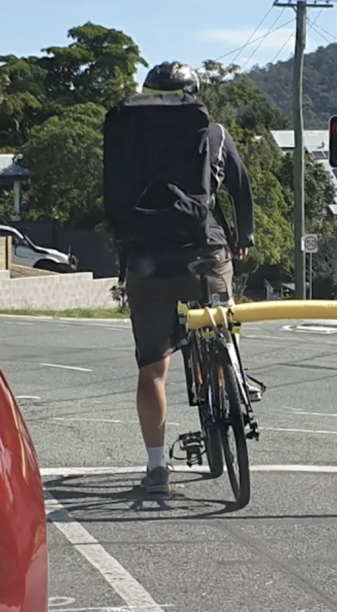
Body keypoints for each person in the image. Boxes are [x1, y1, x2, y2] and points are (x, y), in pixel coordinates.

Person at [107, 61, 261, 494]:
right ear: (195, 93)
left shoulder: (128, 138)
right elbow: (241, 188)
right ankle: (231, 368)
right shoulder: (214, 133)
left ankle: (157, 466)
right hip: (204, 251)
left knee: (153, 370)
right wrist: (243, 237)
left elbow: (114, 196)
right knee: (222, 324)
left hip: (147, 260)